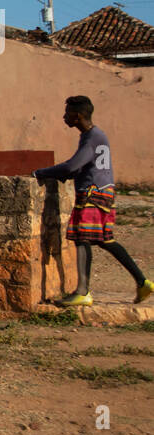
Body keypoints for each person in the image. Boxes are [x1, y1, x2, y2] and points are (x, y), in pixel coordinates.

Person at [33, 96, 153, 306]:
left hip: (92, 193)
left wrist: (40, 172)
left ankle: (82, 291)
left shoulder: (91, 138)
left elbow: (72, 166)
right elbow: (78, 168)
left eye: (67, 113)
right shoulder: (95, 136)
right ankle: (142, 282)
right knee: (105, 240)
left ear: (77, 116)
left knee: (82, 237)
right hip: (104, 191)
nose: (64, 117)